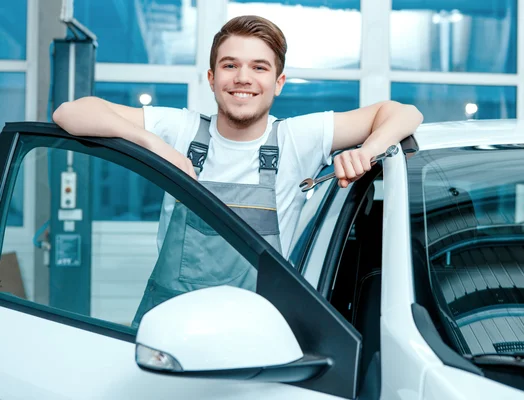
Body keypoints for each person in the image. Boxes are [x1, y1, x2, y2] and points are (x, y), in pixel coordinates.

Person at [52, 15, 423, 326]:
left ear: (278, 83)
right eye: (230, 65)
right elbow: (70, 112)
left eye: (259, 67)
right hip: (168, 325)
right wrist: (154, 145)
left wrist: (367, 152)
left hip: (257, 328)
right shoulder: (179, 129)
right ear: (212, 78)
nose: (243, 78)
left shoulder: (296, 138)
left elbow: (404, 113)